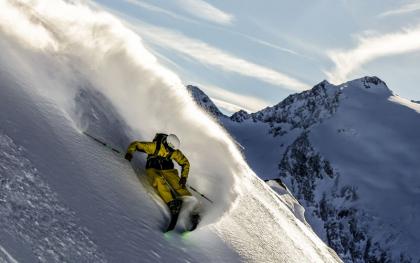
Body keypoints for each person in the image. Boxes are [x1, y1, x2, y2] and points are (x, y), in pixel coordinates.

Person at [124, 133, 191, 216]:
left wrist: (184, 176)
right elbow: (136, 144)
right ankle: (172, 203)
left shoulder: (175, 152)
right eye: (169, 149)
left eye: (172, 150)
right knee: (158, 180)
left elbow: (185, 163)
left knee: (178, 183)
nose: (170, 152)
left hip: (168, 169)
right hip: (153, 168)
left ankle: (191, 204)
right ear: (166, 144)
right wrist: (129, 152)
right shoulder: (154, 146)